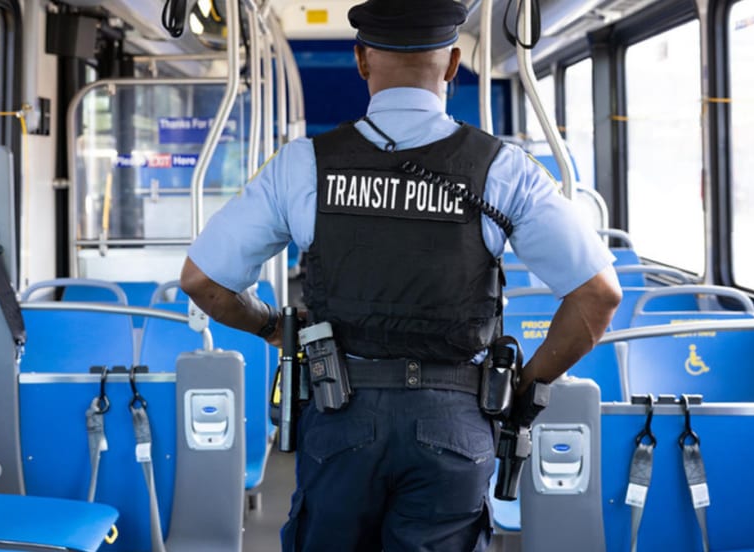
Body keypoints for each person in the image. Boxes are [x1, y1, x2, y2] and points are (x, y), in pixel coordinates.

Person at [179, 0, 622, 549]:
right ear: (455, 64)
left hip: (339, 412)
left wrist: (274, 326)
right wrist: (525, 385)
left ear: (362, 61)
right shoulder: (503, 169)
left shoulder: (302, 165)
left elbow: (202, 281)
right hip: (456, 423)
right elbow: (598, 296)